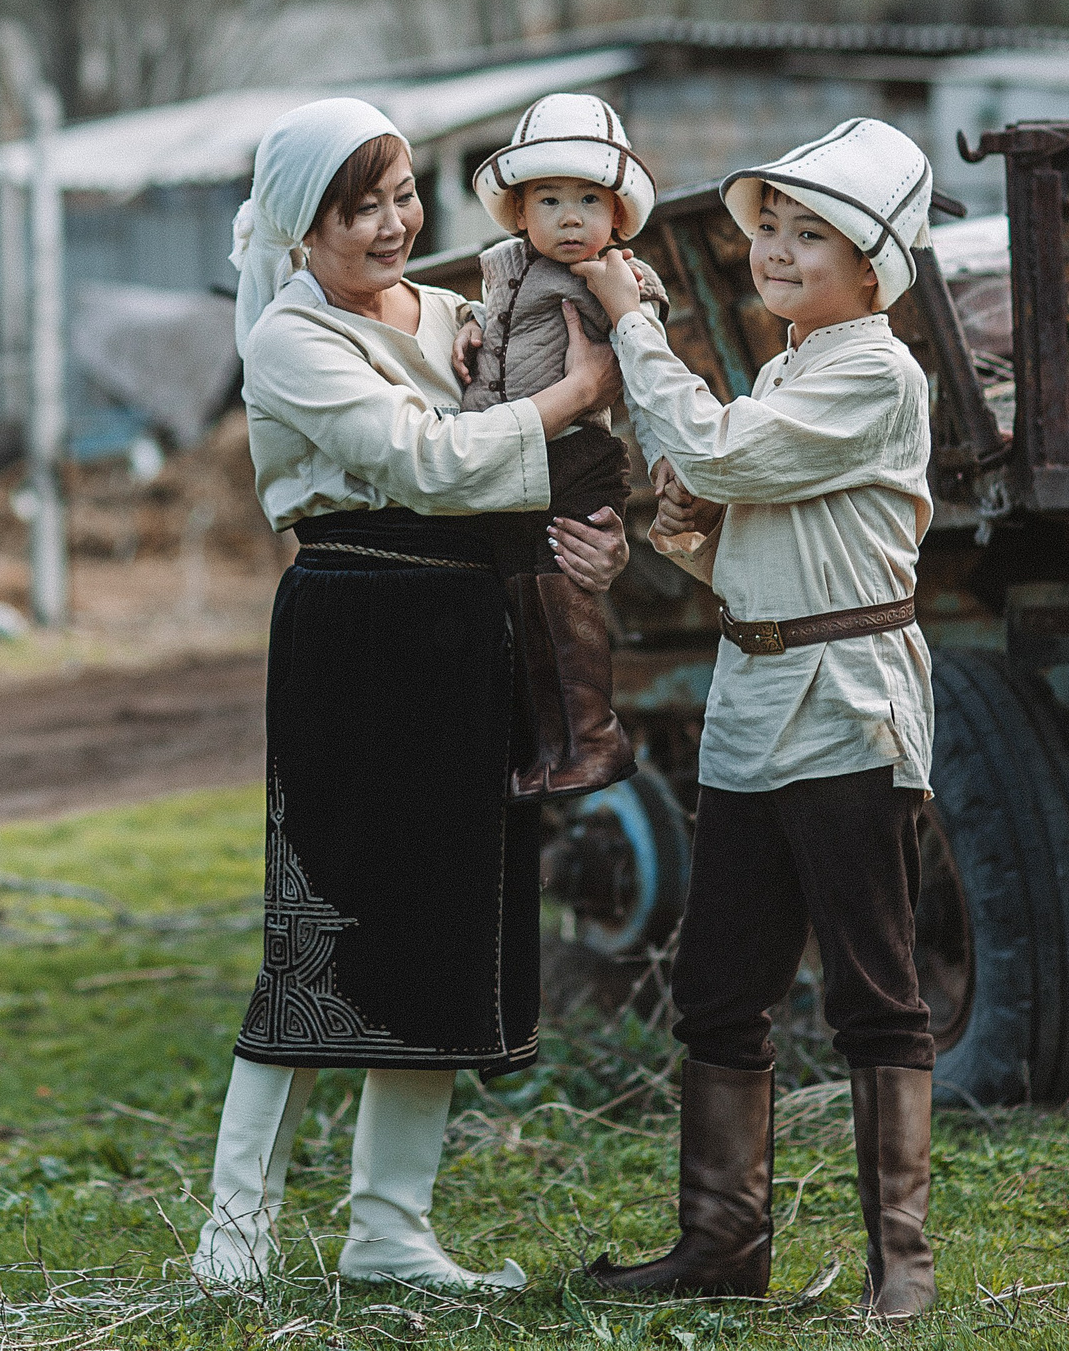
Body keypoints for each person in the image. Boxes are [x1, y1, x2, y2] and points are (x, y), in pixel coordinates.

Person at [195, 96, 631, 1292]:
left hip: (466, 628)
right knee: (317, 925)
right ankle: (234, 1232)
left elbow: (527, 478)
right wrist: (569, 400)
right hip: (356, 624)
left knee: (444, 921)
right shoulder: (289, 338)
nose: (394, 225)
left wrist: (596, 540)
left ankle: (388, 1229)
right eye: (362, 208)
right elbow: (430, 464)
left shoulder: (454, 314)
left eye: (401, 197)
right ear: (301, 226)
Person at [572, 117, 941, 1320]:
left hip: (844, 709)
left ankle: (901, 1269)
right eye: (770, 228)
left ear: (873, 269)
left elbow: (715, 447)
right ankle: (721, 1248)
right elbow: (751, 546)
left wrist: (635, 322)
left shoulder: (872, 371)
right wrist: (672, 530)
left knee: (871, 989)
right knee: (723, 986)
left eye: (809, 234)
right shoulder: (791, 369)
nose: (774, 251)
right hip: (754, 703)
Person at [452, 93, 669, 798]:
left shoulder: (609, 271)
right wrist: (470, 327)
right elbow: (493, 325)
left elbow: (647, 326)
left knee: (561, 587)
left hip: (575, 453)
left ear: (616, 214)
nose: (570, 217)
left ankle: (596, 737)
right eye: (550, 200)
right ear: (520, 212)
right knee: (524, 596)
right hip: (515, 456)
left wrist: (631, 301)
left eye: (588, 200)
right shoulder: (506, 270)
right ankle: (552, 746)